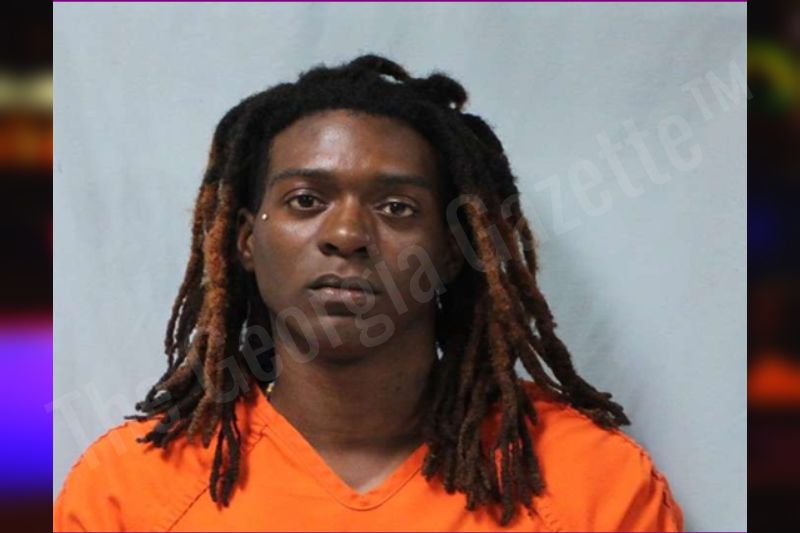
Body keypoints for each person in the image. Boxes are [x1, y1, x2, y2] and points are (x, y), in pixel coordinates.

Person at [53, 54, 684, 532]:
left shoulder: (588, 482)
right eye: (306, 200)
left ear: (452, 249)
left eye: (396, 207)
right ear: (245, 240)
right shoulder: (128, 492)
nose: (348, 235)